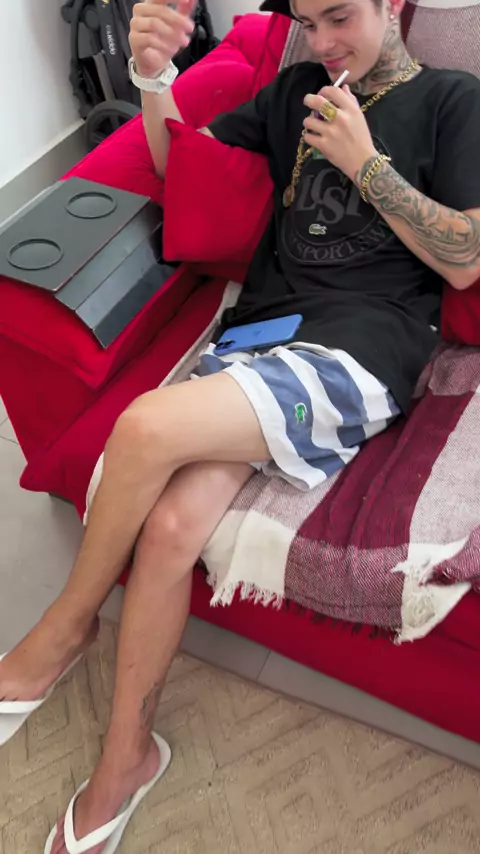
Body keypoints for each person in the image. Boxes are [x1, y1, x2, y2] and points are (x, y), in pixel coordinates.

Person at [1, 0, 480, 851]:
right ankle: (128, 759)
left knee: (145, 429)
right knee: (170, 528)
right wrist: (153, 76)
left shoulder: (452, 100)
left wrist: (366, 164)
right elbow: (179, 163)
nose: (323, 43)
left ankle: (65, 627)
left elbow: (467, 258)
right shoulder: (296, 89)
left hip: (362, 349)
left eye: (341, 18)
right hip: (261, 333)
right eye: (310, 23)